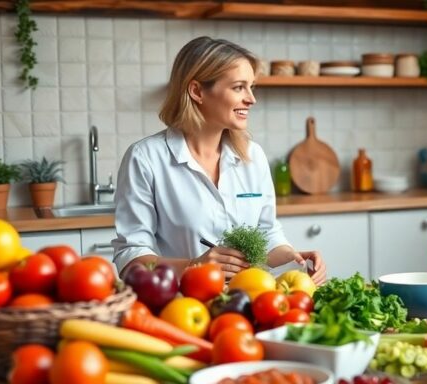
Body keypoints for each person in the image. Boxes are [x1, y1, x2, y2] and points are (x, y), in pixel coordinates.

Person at [112, 37, 326, 284]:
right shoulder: (146, 158)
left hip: (251, 298)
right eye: (238, 87)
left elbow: (267, 233)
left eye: (251, 87)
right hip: (183, 305)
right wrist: (195, 266)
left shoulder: (253, 156)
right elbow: (130, 257)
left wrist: (294, 256)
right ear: (197, 91)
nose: (251, 99)